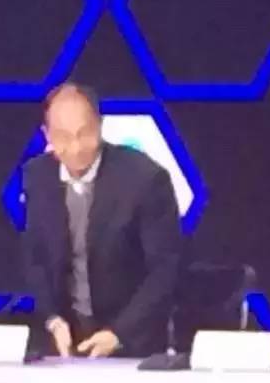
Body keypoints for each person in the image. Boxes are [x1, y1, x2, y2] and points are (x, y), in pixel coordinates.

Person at [22, 82, 182, 359]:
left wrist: (119, 334)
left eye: (84, 133)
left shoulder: (145, 178)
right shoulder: (37, 177)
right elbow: (35, 259)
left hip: (133, 344)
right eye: (63, 137)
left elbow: (165, 269)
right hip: (63, 344)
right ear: (47, 135)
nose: (75, 148)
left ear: (100, 125)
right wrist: (52, 319)